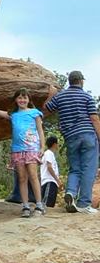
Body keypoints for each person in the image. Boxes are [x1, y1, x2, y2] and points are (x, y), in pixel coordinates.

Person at [43, 71, 100, 214]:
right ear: (81, 81)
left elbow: (45, 110)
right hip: (87, 135)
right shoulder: (87, 96)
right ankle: (84, 203)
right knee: (89, 169)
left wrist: (51, 94)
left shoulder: (60, 97)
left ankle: (71, 192)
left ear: (69, 81)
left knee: (75, 168)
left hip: (70, 137)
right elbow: (94, 119)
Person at [0, 89, 45, 217]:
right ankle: (25, 206)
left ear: (29, 99)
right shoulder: (13, 114)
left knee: (33, 176)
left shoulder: (35, 113)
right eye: (19, 98)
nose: (22, 100)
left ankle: (39, 205)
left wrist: (42, 147)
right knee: (22, 178)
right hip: (17, 150)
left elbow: (40, 131)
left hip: (32, 148)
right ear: (16, 100)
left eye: (24, 98)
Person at [39, 135, 61, 210]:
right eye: (58, 143)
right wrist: (58, 180)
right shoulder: (49, 153)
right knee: (47, 204)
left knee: (50, 204)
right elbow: (49, 167)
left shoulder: (49, 154)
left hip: (51, 182)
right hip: (49, 181)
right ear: (54, 144)